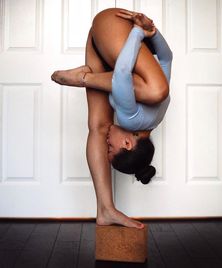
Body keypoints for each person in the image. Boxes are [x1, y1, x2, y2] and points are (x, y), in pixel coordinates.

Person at [51, 8, 172, 229]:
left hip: (105, 40)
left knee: (99, 127)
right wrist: (138, 31)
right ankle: (83, 78)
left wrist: (154, 33)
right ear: (128, 142)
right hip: (112, 28)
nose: (107, 143)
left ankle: (105, 209)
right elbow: (122, 74)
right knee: (155, 90)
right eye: (110, 148)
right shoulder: (131, 120)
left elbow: (166, 57)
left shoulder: (154, 120)